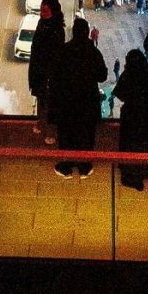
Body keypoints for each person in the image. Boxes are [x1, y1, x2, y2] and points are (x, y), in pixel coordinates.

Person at [47, 17, 107, 177]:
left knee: (66, 133)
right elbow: (102, 76)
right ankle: (84, 166)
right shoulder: (93, 52)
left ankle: (66, 166)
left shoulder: (63, 51)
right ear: (87, 33)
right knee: (86, 133)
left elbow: (54, 77)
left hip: (66, 101)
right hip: (87, 101)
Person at [112, 49, 148, 193]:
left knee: (132, 146)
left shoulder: (127, 76)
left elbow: (119, 93)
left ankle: (134, 177)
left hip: (132, 116)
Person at [27, 0, 67, 140]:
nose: (41, 12)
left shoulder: (56, 29)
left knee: (49, 102)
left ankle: (50, 130)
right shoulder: (42, 23)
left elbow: (55, 55)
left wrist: (51, 74)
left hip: (49, 72)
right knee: (41, 99)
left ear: (52, 10)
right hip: (38, 69)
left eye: (44, 10)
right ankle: (41, 123)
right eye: (41, 9)